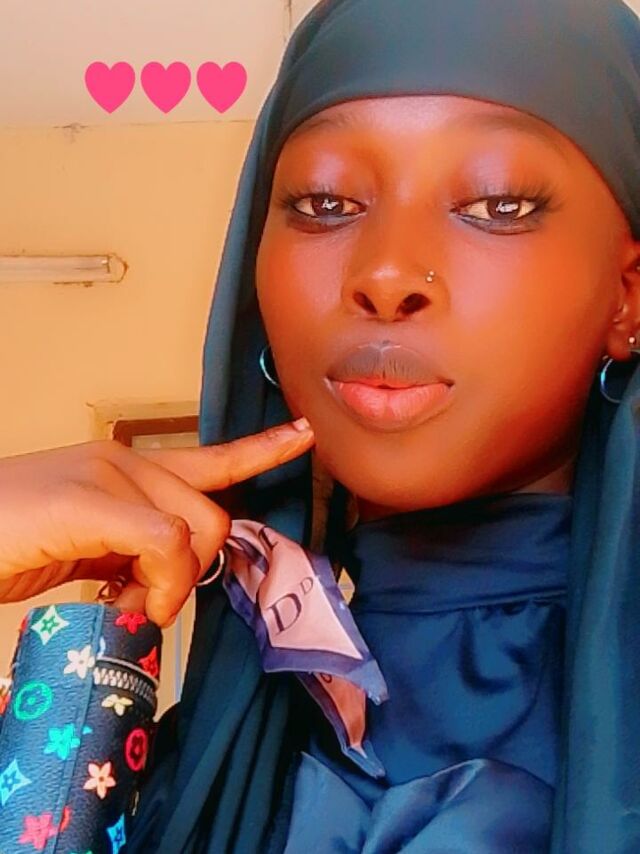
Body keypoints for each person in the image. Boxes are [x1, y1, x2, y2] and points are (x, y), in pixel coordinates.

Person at [1, 0, 640, 851]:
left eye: (498, 204)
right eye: (327, 201)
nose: (386, 272)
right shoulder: (200, 762)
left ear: (628, 297)